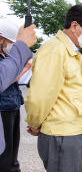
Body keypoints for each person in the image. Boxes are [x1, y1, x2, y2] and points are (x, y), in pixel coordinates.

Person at [25, 4, 82, 172]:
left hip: (72, 131)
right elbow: (41, 96)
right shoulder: (54, 50)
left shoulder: (73, 53)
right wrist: (34, 123)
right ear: (74, 25)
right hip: (61, 133)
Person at [0, 18, 36, 171]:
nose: (12, 46)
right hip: (4, 109)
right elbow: (4, 80)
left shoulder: (5, 56)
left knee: (12, 151)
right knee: (5, 154)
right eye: (11, 42)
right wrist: (25, 68)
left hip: (12, 105)